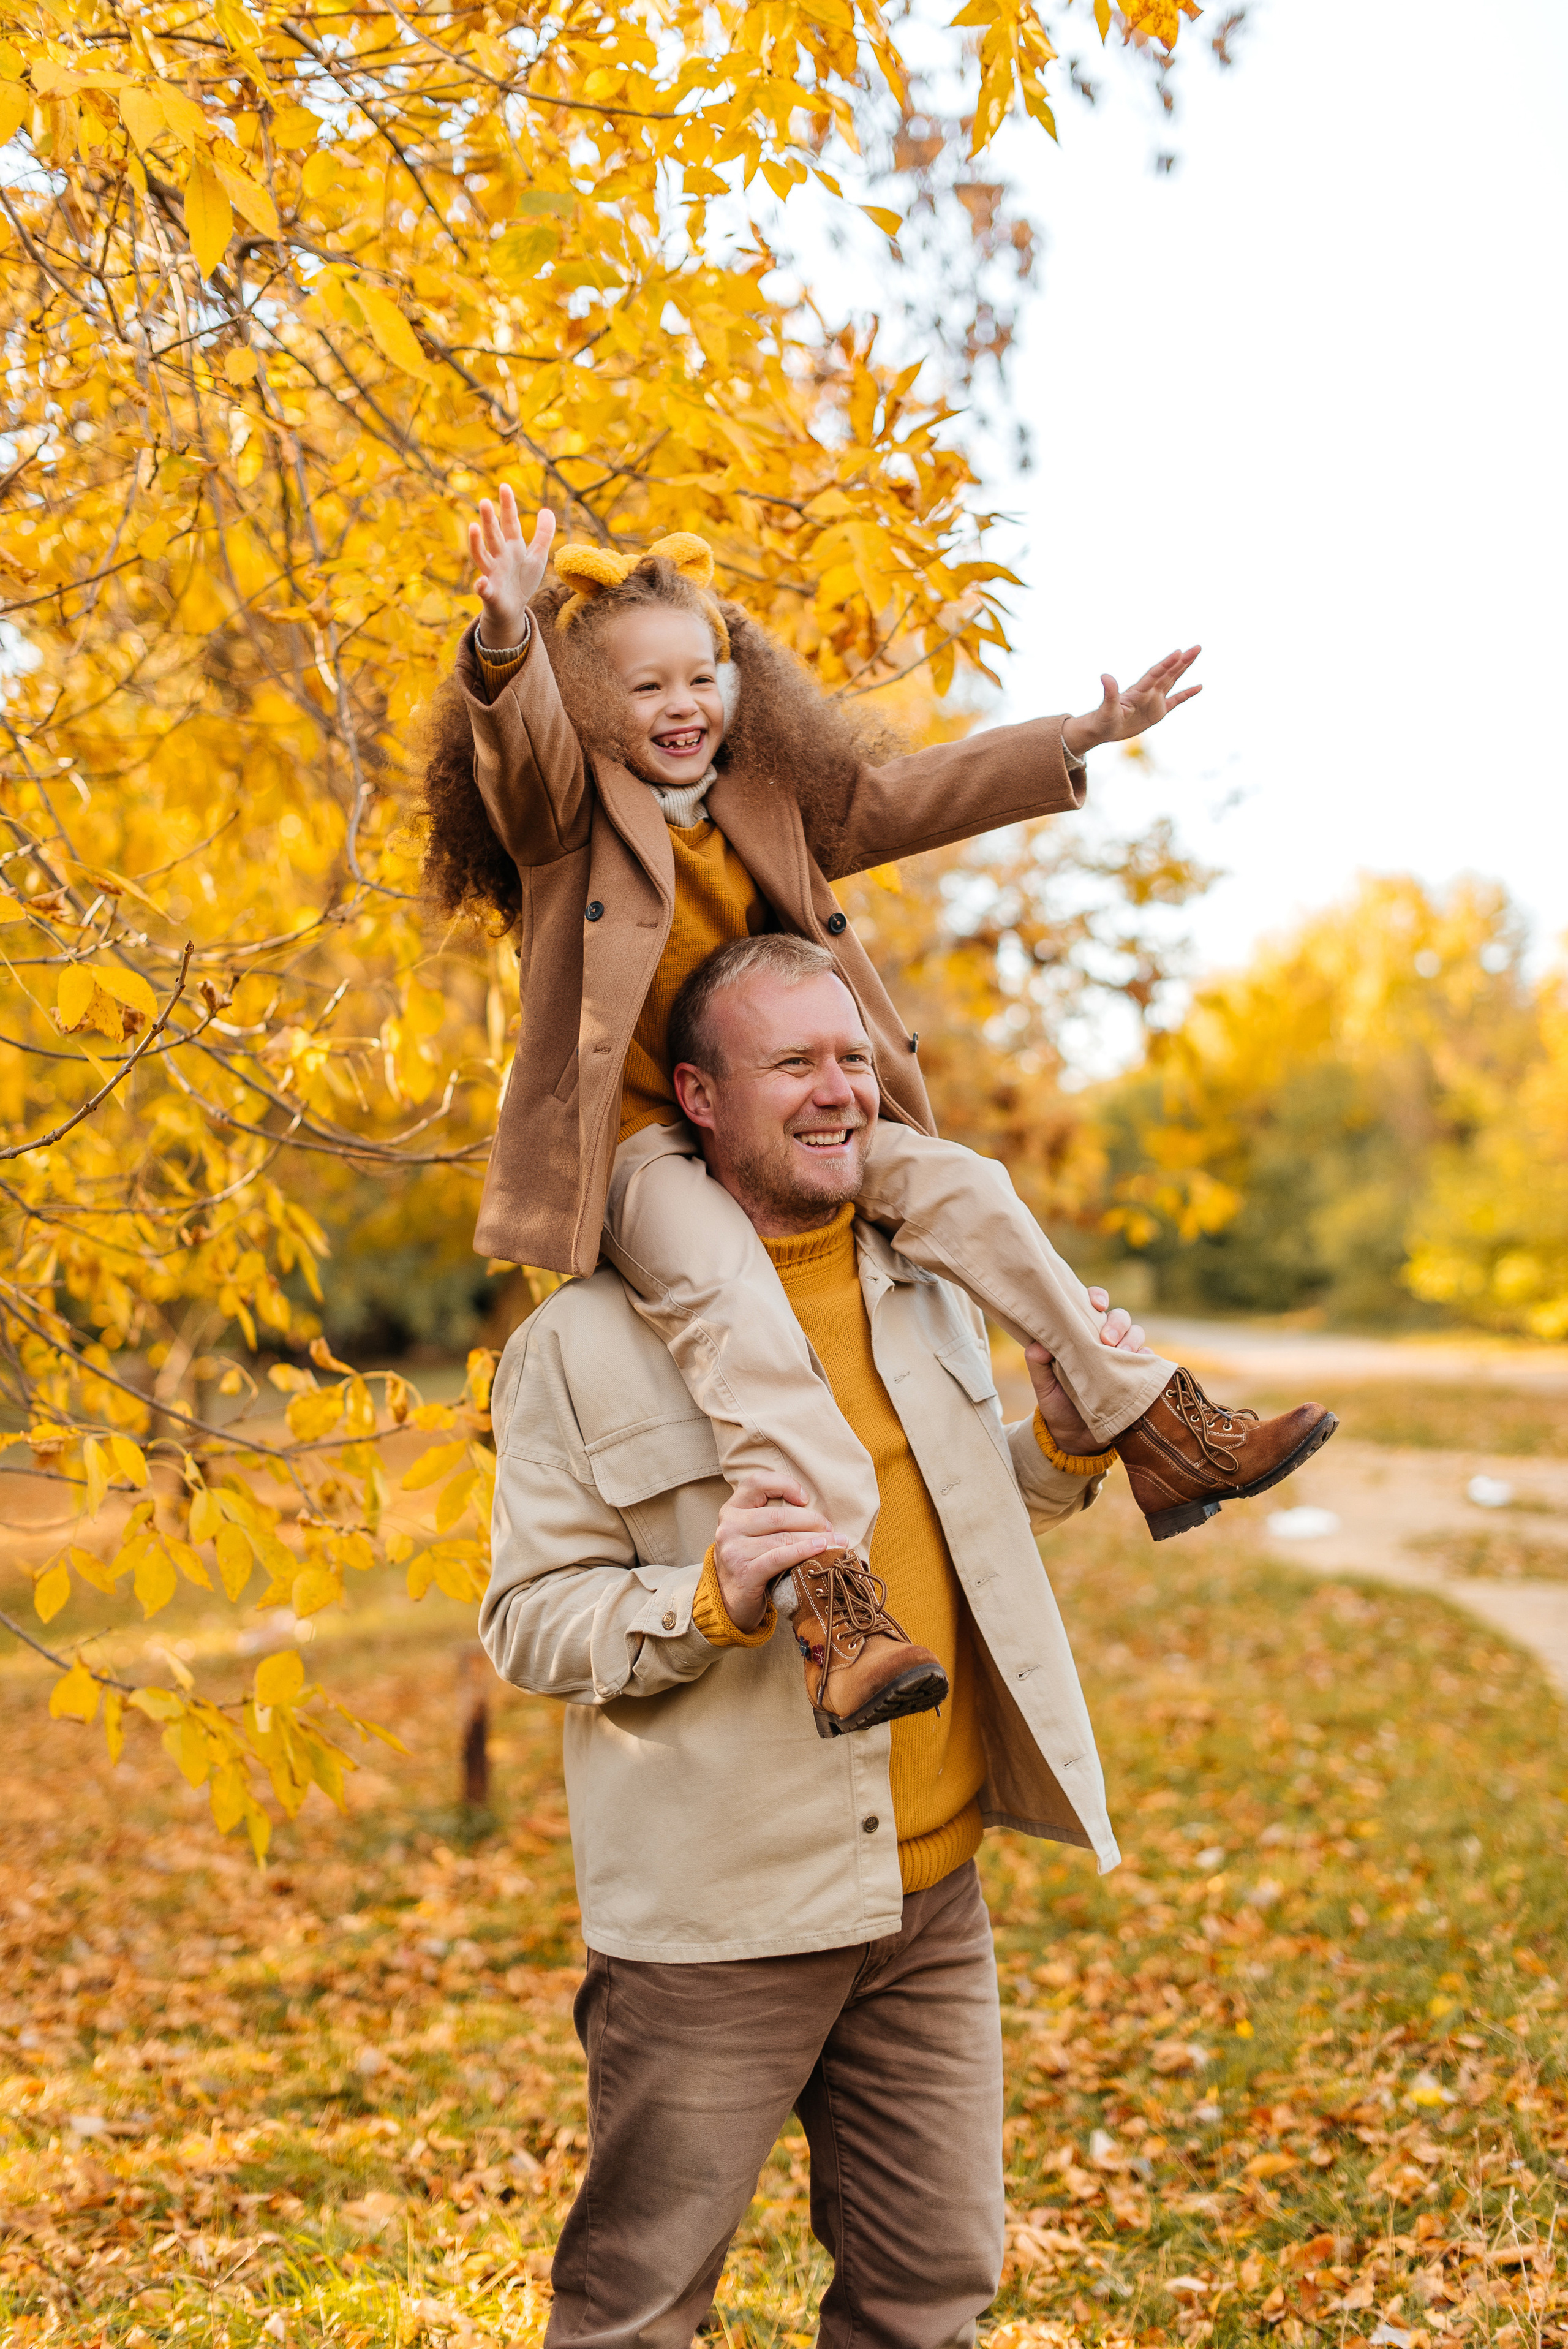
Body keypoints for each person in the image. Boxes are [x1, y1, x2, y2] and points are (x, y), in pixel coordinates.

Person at [427, 491, 1335, 1734]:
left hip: (784, 1109)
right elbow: (520, 755)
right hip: (641, 1141)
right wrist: (505, 637)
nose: (683, 706)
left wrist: (1081, 734)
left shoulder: (767, 805)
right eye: (645, 688)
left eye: (702, 677)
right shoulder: (570, 822)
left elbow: (909, 795)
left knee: (967, 1185)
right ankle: (831, 1595)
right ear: (590, 702)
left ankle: (1158, 1425)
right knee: (731, 1298)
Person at [480, 934, 1150, 2349]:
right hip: (716, 1919)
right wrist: (706, 1600)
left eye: (850, 1058)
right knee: (636, 2307)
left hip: (930, 1901)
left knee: (930, 2288)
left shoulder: (923, 1283)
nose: (837, 1089)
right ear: (697, 1097)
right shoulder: (578, 1344)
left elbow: (963, 1513)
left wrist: (1059, 1447)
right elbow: (528, 1621)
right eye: (791, 1063)